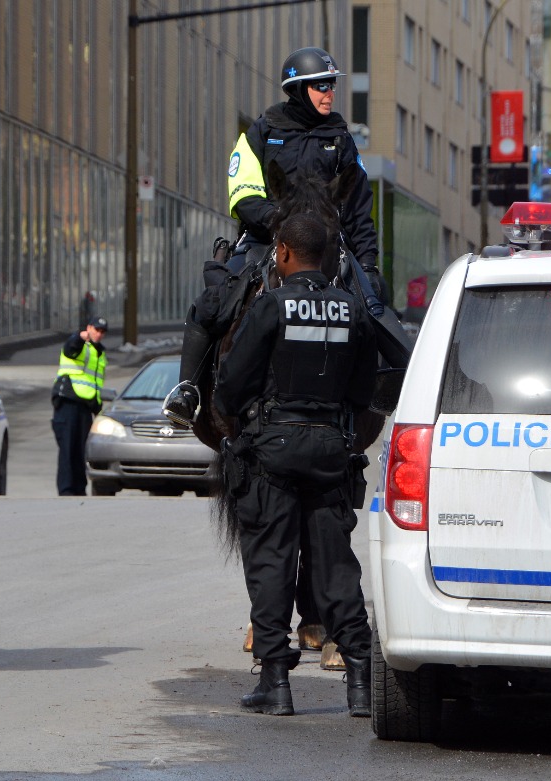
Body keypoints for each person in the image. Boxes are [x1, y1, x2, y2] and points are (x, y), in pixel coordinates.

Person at [162, 46, 386, 428]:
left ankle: (382, 392)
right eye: (320, 86)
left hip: (330, 244)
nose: (329, 93)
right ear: (298, 90)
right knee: (210, 303)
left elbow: (359, 208)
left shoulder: (342, 138)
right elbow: (243, 192)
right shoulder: (261, 131)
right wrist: (280, 221)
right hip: (267, 238)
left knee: (375, 306)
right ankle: (188, 391)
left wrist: (368, 264)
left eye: (331, 85)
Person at [215, 212, 377, 717]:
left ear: (282, 252)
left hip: (272, 454)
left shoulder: (270, 306)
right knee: (335, 567)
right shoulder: (352, 310)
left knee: (271, 562)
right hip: (331, 452)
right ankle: (359, 682)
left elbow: (230, 387)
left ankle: (276, 684)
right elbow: (364, 392)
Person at [52, 317, 108, 496]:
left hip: (86, 407)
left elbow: (95, 382)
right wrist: (79, 336)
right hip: (69, 402)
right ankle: (67, 489)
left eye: (102, 332)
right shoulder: (79, 344)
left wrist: (98, 408)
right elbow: (70, 349)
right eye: (96, 330)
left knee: (80, 450)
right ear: (89, 328)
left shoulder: (99, 352)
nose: (99, 334)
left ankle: (78, 488)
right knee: (68, 448)